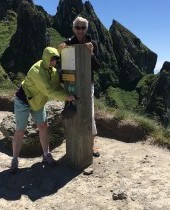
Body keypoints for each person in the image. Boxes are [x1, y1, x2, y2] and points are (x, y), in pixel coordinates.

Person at [11, 47, 75, 173]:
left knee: (43, 126)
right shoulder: (36, 70)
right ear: (46, 58)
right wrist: (67, 97)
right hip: (23, 101)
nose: (55, 61)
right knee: (20, 131)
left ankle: (46, 154)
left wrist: (67, 92)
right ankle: (14, 160)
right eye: (52, 59)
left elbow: (56, 87)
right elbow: (48, 90)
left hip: (38, 102)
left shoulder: (53, 72)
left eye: (57, 59)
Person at [59, 16, 101, 157]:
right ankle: (73, 139)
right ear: (73, 28)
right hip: (71, 84)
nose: (80, 30)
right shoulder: (68, 43)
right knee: (72, 110)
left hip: (88, 84)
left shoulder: (92, 43)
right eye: (78, 27)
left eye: (83, 27)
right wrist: (61, 52)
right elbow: (61, 66)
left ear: (87, 29)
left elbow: (97, 67)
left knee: (90, 112)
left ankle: (92, 143)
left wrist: (92, 53)